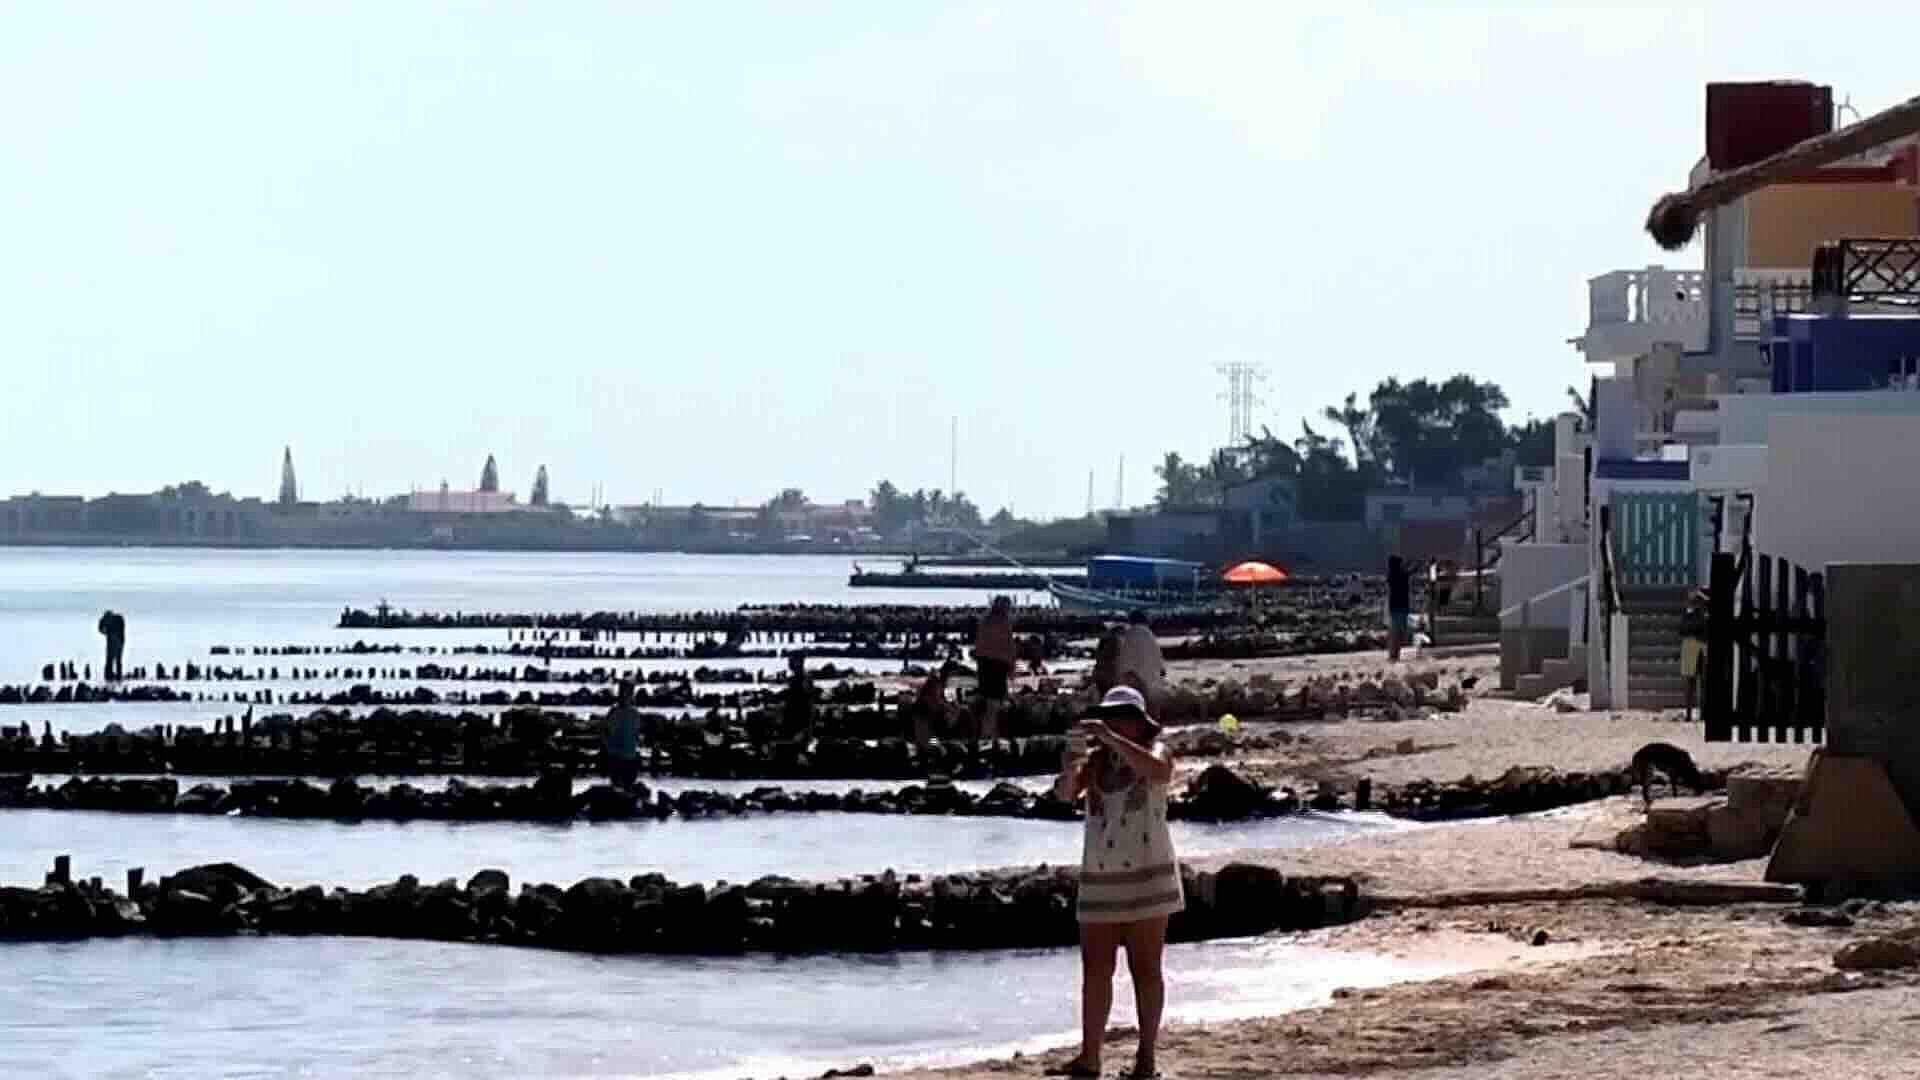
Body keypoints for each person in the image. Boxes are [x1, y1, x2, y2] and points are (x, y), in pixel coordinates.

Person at [1049, 686, 1181, 1080]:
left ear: (1140, 723)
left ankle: (1146, 1058)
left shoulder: (1157, 751)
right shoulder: (1095, 763)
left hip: (1147, 877)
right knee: (1095, 970)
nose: (1114, 722)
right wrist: (1071, 763)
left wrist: (1112, 740)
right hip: (1101, 879)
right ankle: (1090, 1058)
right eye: (1109, 716)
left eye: (1123, 716)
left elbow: (1160, 773)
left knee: (1146, 970)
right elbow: (1064, 795)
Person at [971, 595, 1016, 743]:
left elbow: (978, 646)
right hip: (998, 665)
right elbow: (1009, 647)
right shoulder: (1004, 623)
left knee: (985, 700)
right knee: (994, 703)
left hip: (984, 664)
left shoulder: (985, 621)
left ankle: (984, 732)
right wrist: (1011, 668)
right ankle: (988, 734)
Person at [1114, 610, 1166, 709]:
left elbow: (1125, 662)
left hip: (1136, 683)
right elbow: (1161, 664)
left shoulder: (1130, 635)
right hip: (1153, 682)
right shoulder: (1150, 636)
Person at [603, 678, 642, 789]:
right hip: (616, 757)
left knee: (628, 789)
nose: (627, 695)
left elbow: (636, 733)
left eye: (630, 692)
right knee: (617, 789)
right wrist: (609, 748)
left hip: (630, 756)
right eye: (624, 691)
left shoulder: (634, 713)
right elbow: (605, 732)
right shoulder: (614, 711)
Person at [782, 653, 815, 741]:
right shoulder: (795, 679)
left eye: (791, 662)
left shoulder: (804, 679)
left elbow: (808, 704)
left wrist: (805, 729)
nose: (789, 664)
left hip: (799, 720)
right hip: (794, 718)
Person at [1385, 555, 1412, 662]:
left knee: (1395, 633)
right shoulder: (1401, 575)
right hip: (1402, 607)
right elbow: (1410, 571)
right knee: (1399, 633)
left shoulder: (1391, 576)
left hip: (1395, 607)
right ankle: (1395, 654)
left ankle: (1394, 654)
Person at [97, 610, 126, 681]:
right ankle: (112, 676)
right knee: (113, 659)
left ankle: (113, 675)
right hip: (114, 640)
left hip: (117, 640)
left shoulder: (118, 619)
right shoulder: (117, 619)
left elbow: (102, 629)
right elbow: (101, 629)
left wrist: (107, 632)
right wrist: (106, 632)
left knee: (114, 659)